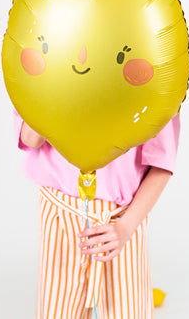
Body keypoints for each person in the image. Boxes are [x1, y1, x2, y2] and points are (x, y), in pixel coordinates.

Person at [17, 115, 179, 319]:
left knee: (126, 309)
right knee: (58, 308)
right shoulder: (39, 81)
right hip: (59, 214)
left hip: (123, 219)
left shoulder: (157, 84)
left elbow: (161, 165)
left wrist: (125, 228)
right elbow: (31, 138)